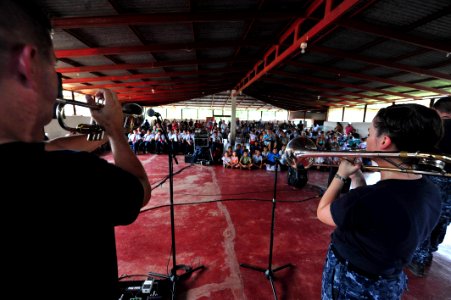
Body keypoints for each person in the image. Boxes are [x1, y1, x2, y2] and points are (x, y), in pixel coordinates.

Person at [0, 1, 151, 299]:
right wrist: (116, 133)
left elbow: (55, 146)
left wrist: (108, 131)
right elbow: (141, 190)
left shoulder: (51, 157)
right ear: (28, 67)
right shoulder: (74, 176)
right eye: (53, 66)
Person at [316, 104, 443, 299]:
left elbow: (322, 212)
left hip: (350, 283)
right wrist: (357, 179)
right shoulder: (432, 192)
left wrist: (340, 175)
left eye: (369, 133)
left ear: (384, 141)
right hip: (387, 282)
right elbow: (368, 218)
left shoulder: (369, 198)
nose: (366, 139)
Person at [408, 96, 451, 277]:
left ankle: (418, 260)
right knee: (443, 219)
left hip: (434, 179)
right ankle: (430, 251)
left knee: (424, 217)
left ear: (437, 111)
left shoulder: (435, 128)